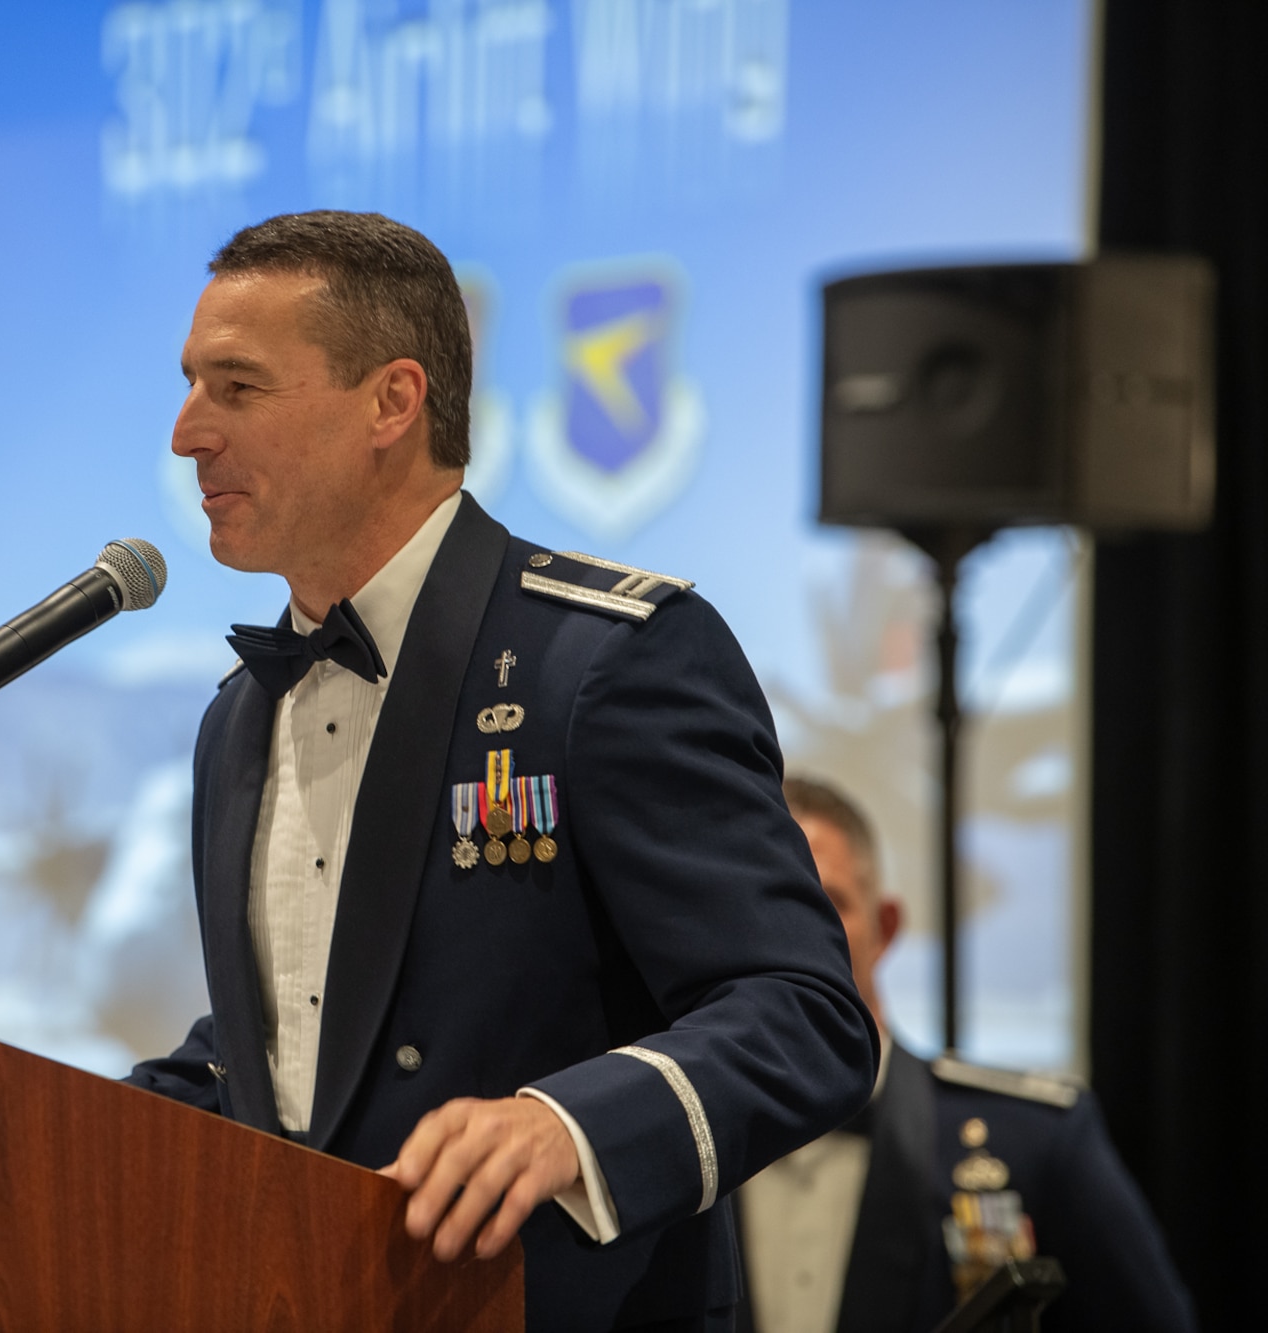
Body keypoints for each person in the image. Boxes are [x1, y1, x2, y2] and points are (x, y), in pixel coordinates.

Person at [124, 210, 879, 1333]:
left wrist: (564, 1128)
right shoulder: (236, 716)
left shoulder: (611, 657)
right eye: (190, 385)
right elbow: (289, 1062)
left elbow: (804, 1011)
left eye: (236, 388)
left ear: (391, 401)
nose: (187, 432)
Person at [737, 776, 1197, 1333]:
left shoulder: (1037, 1141)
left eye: (822, 902)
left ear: (884, 929)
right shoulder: (665, 1139)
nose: (786, 934)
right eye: (754, 905)